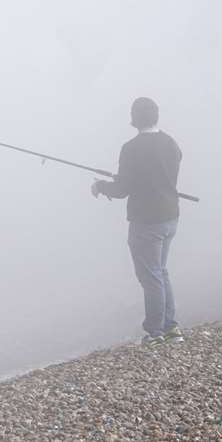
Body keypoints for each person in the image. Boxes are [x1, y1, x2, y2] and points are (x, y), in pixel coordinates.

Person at [91, 97, 184, 345]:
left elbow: (122, 189)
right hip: (170, 216)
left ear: (134, 118)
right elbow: (161, 173)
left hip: (147, 222)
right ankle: (171, 327)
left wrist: (101, 186)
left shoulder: (131, 148)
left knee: (151, 276)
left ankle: (155, 333)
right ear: (156, 116)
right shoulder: (171, 143)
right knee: (160, 272)